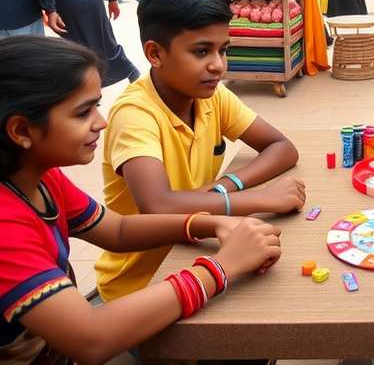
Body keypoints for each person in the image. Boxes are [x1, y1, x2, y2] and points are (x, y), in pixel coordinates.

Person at [0, 36, 284, 365]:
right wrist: (223, 267)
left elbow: (117, 230)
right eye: (82, 113)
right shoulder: (6, 225)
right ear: (21, 130)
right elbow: (91, 339)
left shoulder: (40, 177)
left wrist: (212, 222)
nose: (101, 122)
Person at [95, 0, 304, 301]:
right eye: (201, 51)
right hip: (143, 285)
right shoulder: (135, 114)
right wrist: (263, 199)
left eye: (224, 50)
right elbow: (158, 205)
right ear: (155, 54)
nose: (218, 65)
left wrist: (226, 185)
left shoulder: (212, 96)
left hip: (197, 254)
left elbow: (282, 147)